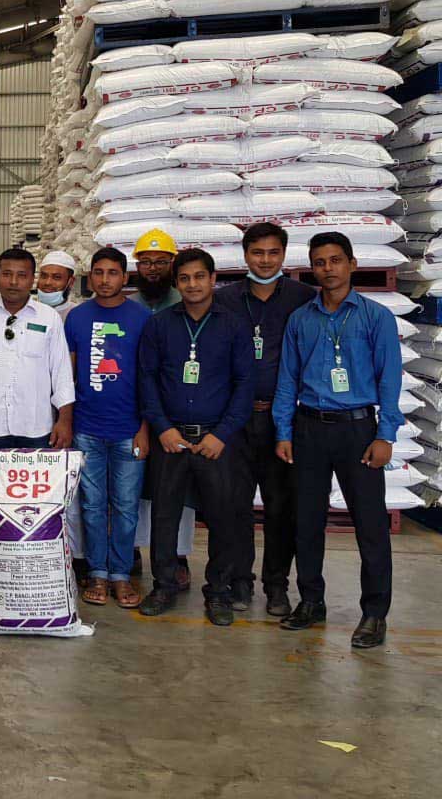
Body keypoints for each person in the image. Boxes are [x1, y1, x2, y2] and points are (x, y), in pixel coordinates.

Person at [274, 232, 401, 649]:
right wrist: (284, 430)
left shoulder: (374, 316)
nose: (327, 269)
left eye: (335, 261)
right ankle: (312, 601)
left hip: (358, 429)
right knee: (306, 521)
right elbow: (287, 379)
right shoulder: (301, 319)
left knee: (369, 525)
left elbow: (390, 380)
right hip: (309, 427)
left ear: (351, 263)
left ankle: (374, 613)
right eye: (320, 262)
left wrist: (385, 435)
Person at [137, 248, 254, 626]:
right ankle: (164, 585)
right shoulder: (160, 325)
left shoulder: (233, 325)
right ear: (177, 282)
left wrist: (222, 434)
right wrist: (162, 428)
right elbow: (147, 380)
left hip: (215, 443)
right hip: (171, 440)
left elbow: (244, 384)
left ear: (213, 278)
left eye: (199, 277)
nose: (192, 285)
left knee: (222, 518)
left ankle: (218, 591)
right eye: (184, 279)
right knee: (165, 517)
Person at [216, 223, 314, 617]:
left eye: (274, 253)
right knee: (234, 504)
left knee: (280, 506)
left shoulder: (303, 298)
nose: (266, 260)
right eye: (258, 253)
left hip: (282, 420)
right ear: (245, 255)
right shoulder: (225, 300)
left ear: (284, 255)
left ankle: (277, 586)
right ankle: (240, 581)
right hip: (236, 419)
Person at [0, 248, 74, 575]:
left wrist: (65, 419)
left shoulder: (48, 318)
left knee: (30, 503)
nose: (13, 282)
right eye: (7, 274)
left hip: (36, 427)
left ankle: (29, 566)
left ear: (32, 279)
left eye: (22, 275)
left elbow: (60, 372)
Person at [63, 248, 151, 608]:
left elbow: (150, 377)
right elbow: (66, 376)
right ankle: (97, 571)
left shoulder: (143, 318)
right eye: (97, 272)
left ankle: (121, 575)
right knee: (93, 505)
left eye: (112, 273)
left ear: (125, 277)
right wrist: (66, 421)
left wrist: (145, 428)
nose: (104, 280)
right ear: (89, 276)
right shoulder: (76, 318)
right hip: (87, 429)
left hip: (129, 429)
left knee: (127, 506)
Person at [129, 226, 194, 584]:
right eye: (146, 262)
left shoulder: (186, 304)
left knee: (178, 489)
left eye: (161, 262)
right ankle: (135, 550)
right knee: (137, 487)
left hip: (176, 412)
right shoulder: (128, 306)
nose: (153, 269)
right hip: (134, 410)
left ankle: (178, 557)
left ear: (173, 264)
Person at [37, 250, 78, 319]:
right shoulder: (26, 310)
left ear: (71, 282)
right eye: (44, 276)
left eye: (57, 277)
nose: (48, 282)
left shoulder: (78, 314)